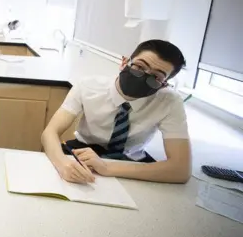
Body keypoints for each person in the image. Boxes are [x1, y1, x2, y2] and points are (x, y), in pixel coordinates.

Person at [41, 40, 191, 184]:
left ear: (164, 85)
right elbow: (50, 132)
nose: (144, 76)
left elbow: (181, 170)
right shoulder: (88, 86)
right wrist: (62, 165)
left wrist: (107, 167)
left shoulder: (169, 102)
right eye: (139, 66)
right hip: (83, 149)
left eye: (156, 77)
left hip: (131, 160)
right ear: (124, 62)